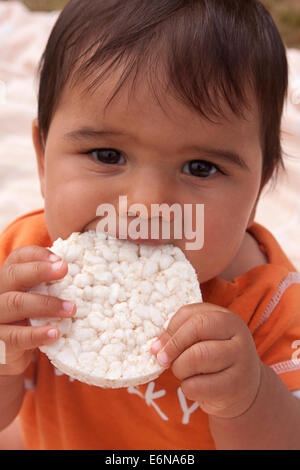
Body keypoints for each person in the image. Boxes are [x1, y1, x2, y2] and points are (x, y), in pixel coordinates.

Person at [0, 0, 299, 450]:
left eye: (200, 167)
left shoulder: (273, 309)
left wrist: (250, 397)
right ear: (43, 160)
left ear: (258, 191)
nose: (145, 207)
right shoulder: (23, 268)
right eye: (107, 156)